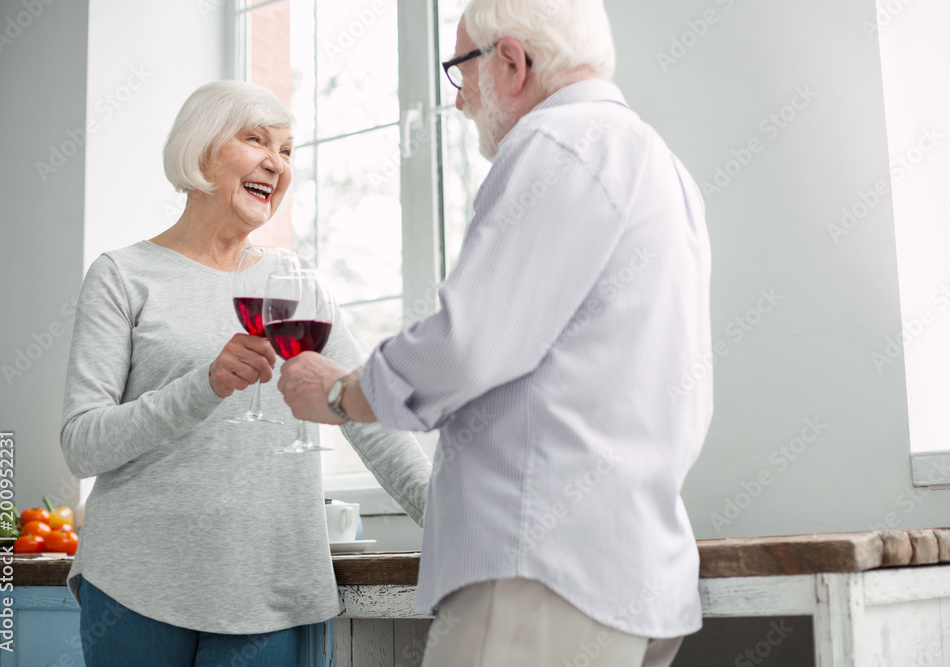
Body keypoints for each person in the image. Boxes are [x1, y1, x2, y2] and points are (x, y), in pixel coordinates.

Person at [278, 0, 713, 664]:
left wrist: (341, 395)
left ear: (511, 61)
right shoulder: (659, 164)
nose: (458, 104)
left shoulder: (556, 142)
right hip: (629, 572)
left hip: (537, 575)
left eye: (459, 71)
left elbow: (467, 344)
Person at [60, 80, 431, 666]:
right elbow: (82, 445)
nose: (276, 163)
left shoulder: (295, 285)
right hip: (136, 584)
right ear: (201, 150)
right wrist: (203, 386)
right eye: (255, 140)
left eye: (287, 151)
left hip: (272, 586)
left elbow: (365, 416)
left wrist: (445, 516)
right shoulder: (123, 276)